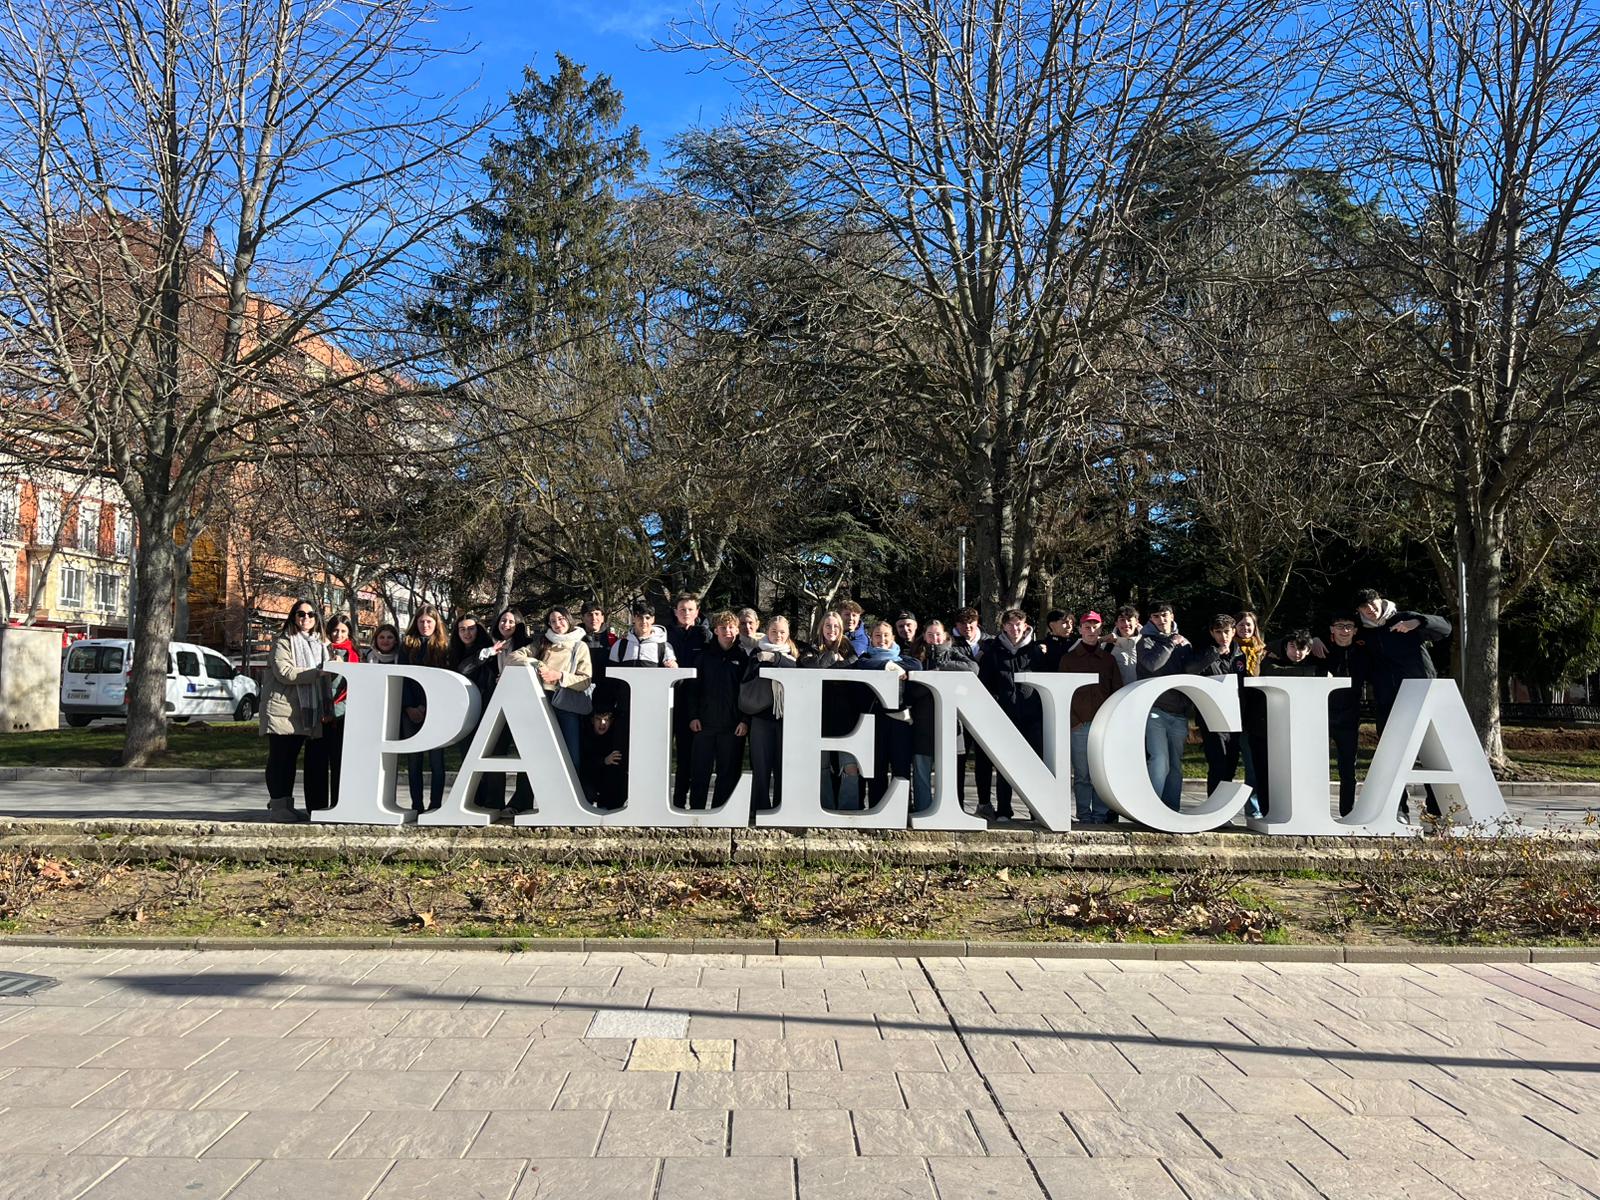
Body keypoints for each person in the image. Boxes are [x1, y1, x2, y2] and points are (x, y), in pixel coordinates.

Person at [1356, 588, 1452, 819]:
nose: (1370, 610)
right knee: (1391, 755)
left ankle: (1436, 809)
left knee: (1429, 753)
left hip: (1419, 693)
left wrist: (1418, 622)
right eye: (1364, 608)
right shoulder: (1363, 632)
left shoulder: (1403, 618)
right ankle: (1398, 809)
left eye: (1372, 604)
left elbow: (1445, 628)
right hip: (1388, 699)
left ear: (1381, 601)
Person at [259, 599, 330, 821]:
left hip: (304, 711)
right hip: (282, 710)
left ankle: (287, 806)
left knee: (290, 759)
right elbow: (285, 673)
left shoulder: (319, 644)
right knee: (281, 759)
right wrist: (318, 672)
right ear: (293, 617)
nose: (306, 618)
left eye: (310, 615)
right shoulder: (283, 642)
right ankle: (279, 806)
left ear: (317, 619)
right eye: (301, 614)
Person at [976, 608, 1047, 822]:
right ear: (1004, 627)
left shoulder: (1036, 650)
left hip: (1032, 715)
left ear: (1025, 626)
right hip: (1005, 715)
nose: (1014, 629)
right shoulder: (993, 651)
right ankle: (1004, 811)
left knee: (1035, 765)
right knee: (1005, 766)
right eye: (1010, 625)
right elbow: (986, 683)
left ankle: (1037, 810)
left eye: (1018, 624)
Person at [1245, 630, 1320, 814]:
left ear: (1309, 650)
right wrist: (1313, 673)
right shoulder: (1270, 658)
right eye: (1293, 647)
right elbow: (1274, 672)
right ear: (1285, 646)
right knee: (1264, 772)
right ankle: (1266, 811)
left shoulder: (1316, 662)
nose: (1297, 652)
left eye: (1302, 648)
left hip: (1296, 730)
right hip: (1263, 728)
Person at [907, 620, 978, 813]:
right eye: (930, 634)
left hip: (950, 725)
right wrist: (931, 683)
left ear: (946, 636)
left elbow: (973, 669)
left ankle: (952, 811)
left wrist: (937, 672)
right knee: (921, 773)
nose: (934, 638)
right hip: (922, 724)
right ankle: (923, 810)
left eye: (938, 634)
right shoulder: (916, 657)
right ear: (924, 636)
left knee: (951, 773)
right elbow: (911, 691)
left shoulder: (954, 654)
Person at [1059, 610, 1123, 822]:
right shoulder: (1068, 660)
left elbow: (1117, 692)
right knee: (1083, 775)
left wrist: (1112, 722)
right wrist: (1073, 721)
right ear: (1079, 630)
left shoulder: (1108, 660)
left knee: (1100, 774)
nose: (1091, 630)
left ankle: (1101, 814)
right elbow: (1061, 693)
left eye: (1095, 627)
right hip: (1079, 725)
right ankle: (1084, 815)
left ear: (1100, 630)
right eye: (1087, 627)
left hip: (1103, 726)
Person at [853, 620, 921, 805]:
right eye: (877, 636)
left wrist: (897, 665)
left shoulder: (904, 659)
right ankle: (877, 807)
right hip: (874, 722)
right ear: (871, 639)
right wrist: (887, 666)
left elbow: (917, 666)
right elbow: (863, 665)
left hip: (900, 721)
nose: (881, 639)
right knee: (877, 768)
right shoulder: (865, 658)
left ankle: (903, 807)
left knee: (901, 767)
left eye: (885, 636)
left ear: (892, 638)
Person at [688, 611, 749, 810]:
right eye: (723, 628)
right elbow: (693, 689)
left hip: (732, 726)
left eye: (731, 627)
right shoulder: (704, 656)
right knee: (700, 772)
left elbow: (748, 692)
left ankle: (720, 813)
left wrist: (744, 720)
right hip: (704, 724)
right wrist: (693, 716)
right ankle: (696, 813)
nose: (728, 632)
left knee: (728, 773)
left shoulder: (743, 657)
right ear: (716, 631)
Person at [1136, 600, 1193, 811]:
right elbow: (1152, 665)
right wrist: (1170, 643)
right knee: (1160, 760)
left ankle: (1171, 811)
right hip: (1155, 712)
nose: (1161, 620)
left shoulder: (1184, 643)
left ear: (1172, 616)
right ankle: (1151, 809)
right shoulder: (1145, 642)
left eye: (1164, 615)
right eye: (1156, 617)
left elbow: (1190, 670)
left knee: (1175, 766)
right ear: (1151, 619)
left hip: (1179, 714)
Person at [1188, 614, 1249, 811]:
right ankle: (1213, 808)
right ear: (1212, 633)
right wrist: (1214, 654)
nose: (1223, 636)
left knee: (1231, 764)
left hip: (1237, 718)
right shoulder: (1204, 654)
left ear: (1233, 631)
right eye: (1219, 632)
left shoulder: (1241, 655)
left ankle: (1224, 809)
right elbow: (1190, 670)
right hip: (1212, 718)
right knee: (1218, 763)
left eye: (1227, 631)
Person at [802, 610, 861, 810]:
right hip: (819, 716)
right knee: (822, 767)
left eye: (836, 626)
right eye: (828, 626)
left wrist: (835, 662)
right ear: (821, 628)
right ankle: (825, 808)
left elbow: (853, 665)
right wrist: (830, 657)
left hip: (847, 717)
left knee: (850, 767)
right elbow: (810, 666)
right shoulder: (811, 647)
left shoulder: (849, 648)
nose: (832, 630)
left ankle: (848, 810)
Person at [480, 607, 537, 813]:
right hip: (496, 706)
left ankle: (520, 801)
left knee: (526, 753)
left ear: (519, 624)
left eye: (511, 622)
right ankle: (494, 801)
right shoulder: (489, 646)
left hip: (522, 705)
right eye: (503, 620)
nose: (506, 624)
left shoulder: (528, 646)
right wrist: (488, 654)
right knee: (495, 751)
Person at [741, 614, 799, 811]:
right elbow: (753, 673)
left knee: (784, 767)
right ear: (767, 632)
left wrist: (775, 658)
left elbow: (798, 669)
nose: (778, 635)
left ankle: (782, 809)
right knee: (761, 767)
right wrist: (776, 660)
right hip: (761, 717)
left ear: (788, 633)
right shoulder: (757, 651)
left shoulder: (795, 652)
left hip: (787, 718)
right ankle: (760, 810)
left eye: (782, 632)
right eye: (774, 631)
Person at [400, 604, 450, 812]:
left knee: (437, 761)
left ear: (436, 623)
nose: (425, 625)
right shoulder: (407, 646)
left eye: (429, 621)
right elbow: (402, 678)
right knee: (414, 761)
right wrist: (410, 706)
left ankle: (436, 805)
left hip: (435, 709)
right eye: (421, 622)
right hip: (411, 710)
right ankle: (416, 805)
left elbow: (445, 680)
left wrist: (428, 707)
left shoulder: (444, 646)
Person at [667, 593, 712, 809]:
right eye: (682, 609)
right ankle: (668, 802)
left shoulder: (704, 636)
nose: (686, 613)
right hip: (666, 701)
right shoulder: (664, 635)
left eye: (690, 609)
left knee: (688, 755)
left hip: (693, 704)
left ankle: (686, 801)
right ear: (675, 611)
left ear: (697, 612)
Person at [1319, 614, 1365, 816]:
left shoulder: (1363, 653)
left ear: (1355, 630)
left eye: (1348, 626)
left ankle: (1347, 813)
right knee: (1316, 766)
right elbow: (1285, 647)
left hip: (1349, 717)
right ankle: (1315, 812)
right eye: (1339, 626)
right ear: (1332, 629)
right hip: (1321, 715)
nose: (1344, 630)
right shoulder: (1321, 651)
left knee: (1348, 770)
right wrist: (1312, 640)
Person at [537, 607, 593, 770]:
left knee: (571, 758)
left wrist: (559, 676)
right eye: (552, 621)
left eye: (561, 619)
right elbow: (518, 656)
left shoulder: (580, 646)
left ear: (568, 619)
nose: (557, 623)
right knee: (542, 757)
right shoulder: (543, 643)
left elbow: (585, 680)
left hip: (565, 704)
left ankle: (571, 794)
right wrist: (536, 663)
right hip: (541, 701)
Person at [948, 606, 991, 811]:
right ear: (957, 626)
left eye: (970, 623)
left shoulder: (991, 642)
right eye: (962, 623)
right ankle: (957, 804)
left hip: (984, 707)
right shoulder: (951, 644)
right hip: (959, 708)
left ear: (977, 622)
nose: (967, 627)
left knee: (984, 758)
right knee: (959, 758)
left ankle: (984, 803)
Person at [322, 613, 360, 809]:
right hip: (320, 714)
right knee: (318, 762)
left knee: (339, 763)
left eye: (343, 631)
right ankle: (318, 805)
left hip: (343, 716)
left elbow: (354, 687)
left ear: (349, 634)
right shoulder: (321, 651)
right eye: (335, 630)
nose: (338, 634)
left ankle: (338, 803)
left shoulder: (354, 655)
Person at [1233, 610, 1267, 793]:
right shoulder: (1230, 649)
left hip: (1256, 717)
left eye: (1249, 625)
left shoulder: (1264, 651)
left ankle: (1254, 811)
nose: (1245, 628)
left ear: (1255, 628)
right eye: (1241, 624)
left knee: (1254, 766)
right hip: (1235, 714)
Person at [581, 700, 628, 810]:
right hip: (589, 779)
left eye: (606, 719)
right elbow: (585, 764)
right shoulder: (585, 736)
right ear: (592, 720)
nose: (603, 723)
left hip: (606, 780)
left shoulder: (614, 738)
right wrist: (604, 761)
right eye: (598, 719)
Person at [579, 601, 616, 691]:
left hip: (606, 691)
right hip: (580, 688)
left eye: (597, 614)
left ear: (602, 617)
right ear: (583, 618)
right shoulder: (575, 639)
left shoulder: (612, 639)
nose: (594, 618)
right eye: (589, 614)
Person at [1111, 605, 1142, 684]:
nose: (1126, 623)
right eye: (1122, 620)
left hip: (1144, 693)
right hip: (1119, 694)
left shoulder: (1147, 643)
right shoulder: (1108, 646)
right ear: (1116, 624)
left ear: (1136, 622)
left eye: (1129, 620)